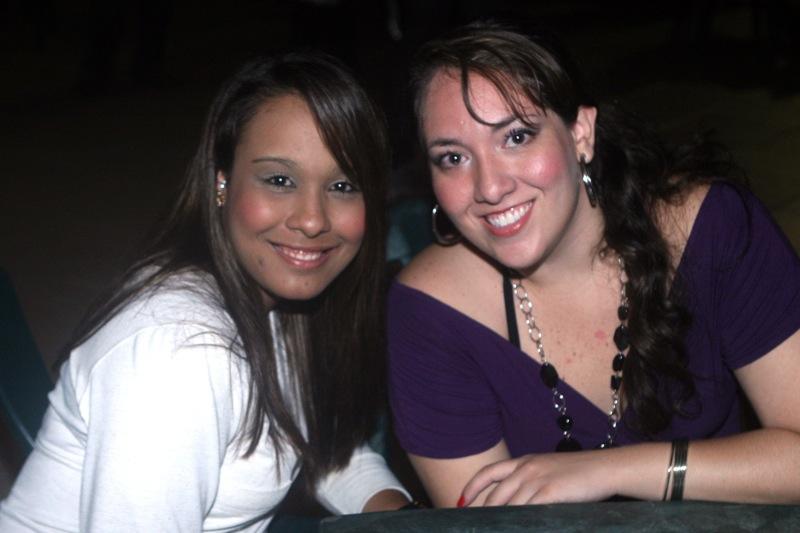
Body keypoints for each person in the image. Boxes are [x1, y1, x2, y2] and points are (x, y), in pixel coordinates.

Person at [388, 22, 800, 508]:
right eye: (453, 158)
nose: (490, 188)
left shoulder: (708, 229)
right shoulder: (430, 313)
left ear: (580, 133)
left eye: (516, 136)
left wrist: (611, 471)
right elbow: (483, 521)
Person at [0, 52, 411, 531]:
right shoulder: (179, 354)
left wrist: (410, 522)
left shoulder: (283, 301)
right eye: (280, 180)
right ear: (222, 183)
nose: (312, 219)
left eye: (342, 185)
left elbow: (325, 450)